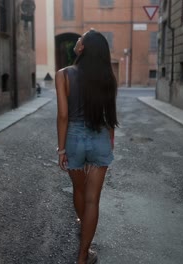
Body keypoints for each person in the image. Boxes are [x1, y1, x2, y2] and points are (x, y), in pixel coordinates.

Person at [55, 29, 118, 264]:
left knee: (79, 191)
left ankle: (84, 227)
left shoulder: (63, 75)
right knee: (93, 200)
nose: (77, 40)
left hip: (73, 137)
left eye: (80, 38)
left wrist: (61, 149)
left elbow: (63, 115)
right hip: (100, 136)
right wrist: (109, 144)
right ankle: (83, 256)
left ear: (82, 48)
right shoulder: (108, 78)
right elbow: (110, 116)